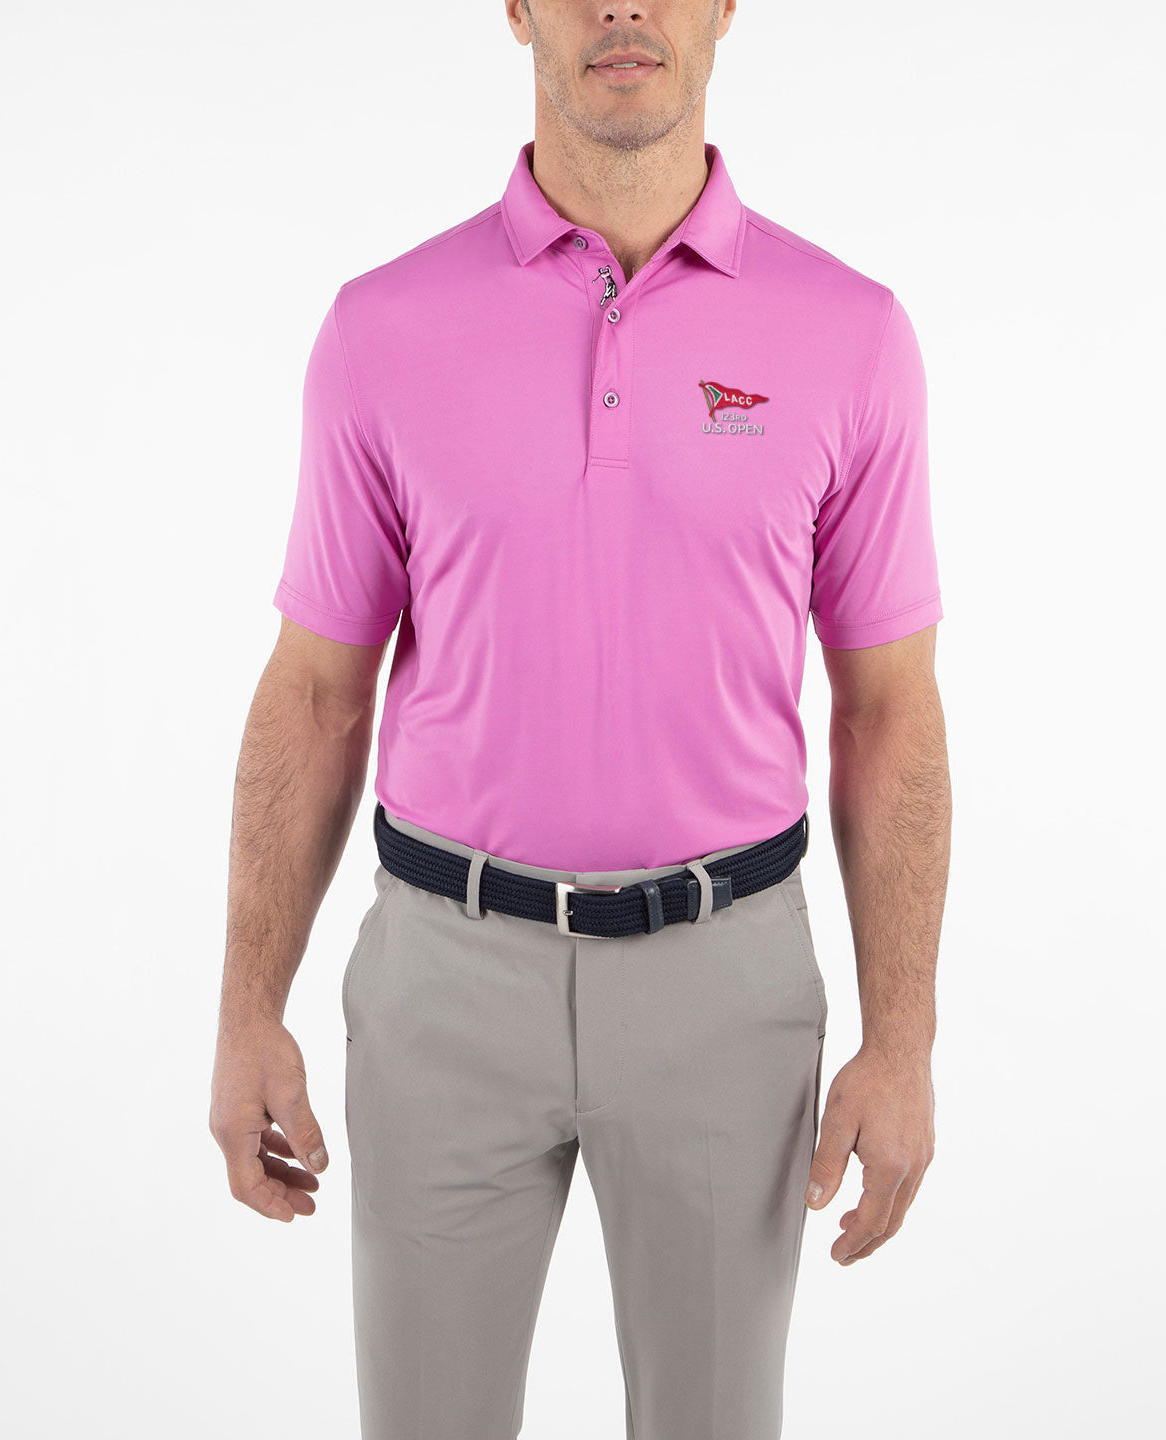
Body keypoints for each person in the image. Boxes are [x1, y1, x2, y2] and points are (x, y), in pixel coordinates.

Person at [209, 2, 951, 1436]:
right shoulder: (382, 329)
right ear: (517, 7)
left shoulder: (850, 335)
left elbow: (892, 713)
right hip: (444, 982)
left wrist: (904, 1036)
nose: (624, 7)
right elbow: (312, 691)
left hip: (729, 987)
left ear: (725, 5)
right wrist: (248, 1011)